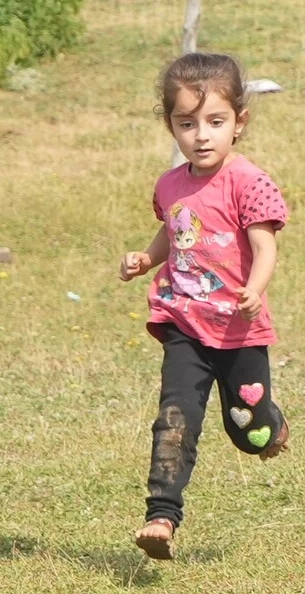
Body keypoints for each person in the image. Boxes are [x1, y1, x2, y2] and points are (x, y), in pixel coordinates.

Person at [119, 50, 289, 561]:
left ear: (239, 122)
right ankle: (161, 516)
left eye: (215, 122)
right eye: (187, 123)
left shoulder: (248, 182)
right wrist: (147, 260)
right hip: (184, 321)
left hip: (239, 327)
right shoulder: (170, 184)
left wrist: (253, 291)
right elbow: (174, 229)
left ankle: (272, 425)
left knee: (248, 427)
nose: (201, 135)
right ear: (171, 124)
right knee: (176, 417)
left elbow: (265, 246)